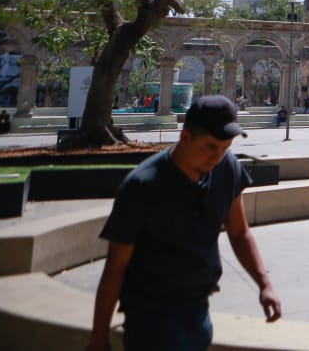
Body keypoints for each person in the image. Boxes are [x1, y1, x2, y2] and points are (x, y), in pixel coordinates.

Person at [87, 96, 280, 351]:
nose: (217, 156)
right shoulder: (142, 186)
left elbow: (239, 232)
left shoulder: (227, 168)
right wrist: (98, 338)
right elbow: (116, 265)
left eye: (225, 148)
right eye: (210, 146)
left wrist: (264, 284)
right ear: (186, 137)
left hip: (198, 309)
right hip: (152, 316)